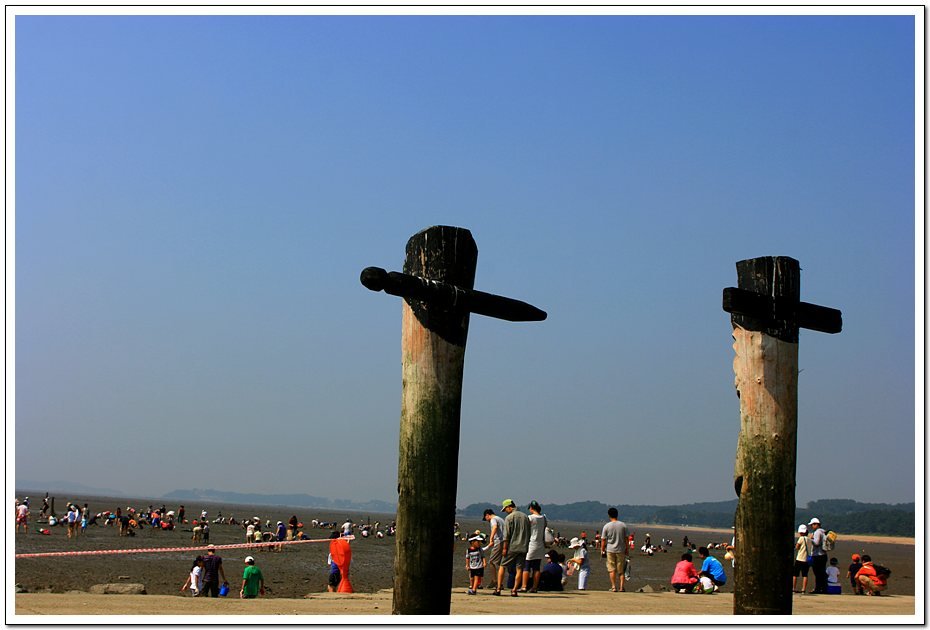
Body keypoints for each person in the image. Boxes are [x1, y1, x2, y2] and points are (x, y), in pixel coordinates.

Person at [494, 499, 530, 597]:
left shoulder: (509, 518)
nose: (505, 511)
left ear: (509, 507)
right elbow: (529, 533)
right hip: (523, 547)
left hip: (512, 547)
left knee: (502, 566)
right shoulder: (525, 516)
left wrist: (504, 548)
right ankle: (514, 590)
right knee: (519, 569)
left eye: (505, 509)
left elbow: (506, 536)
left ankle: (498, 588)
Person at [600, 506, 630, 593]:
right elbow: (627, 539)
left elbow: (603, 540)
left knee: (611, 569)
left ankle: (613, 587)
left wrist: (602, 550)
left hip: (610, 550)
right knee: (621, 570)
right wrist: (627, 549)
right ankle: (621, 587)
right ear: (617, 514)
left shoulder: (606, 526)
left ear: (609, 515)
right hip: (621, 549)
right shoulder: (623, 525)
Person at [521, 500, 548, 593]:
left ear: (531, 508)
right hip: (540, 544)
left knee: (526, 566)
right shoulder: (543, 518)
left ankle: (524, 586)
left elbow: (525, 529)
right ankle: (534, 587)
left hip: (531, 543)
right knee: (536, 567)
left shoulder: (530, 518)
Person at [482, 508, 505, 588]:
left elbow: (494, 527)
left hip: (498, 542)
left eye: (486, 518)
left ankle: (495, 581)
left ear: (487, 515)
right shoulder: (501, 519)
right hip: (504, 542)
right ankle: (500, 582)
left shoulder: (493, 519)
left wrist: (491, 538)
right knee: (501, 563)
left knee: (491, 562)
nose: (487, 521)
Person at [808, 517, 828, 594]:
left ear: (816, 524)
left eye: (812, 525)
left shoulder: (817, 532)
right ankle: (824, 588)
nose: (811, 526)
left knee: (818, 573)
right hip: (823, 555)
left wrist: (811, 539)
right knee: (822, 572)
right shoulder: (823, 531)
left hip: (818, 555)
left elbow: (816, 543)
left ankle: (818, 589)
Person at [793, 524, 812, 594]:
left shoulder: (801, 538)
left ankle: (793, 588)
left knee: (795, 574)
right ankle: (803, 589)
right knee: (805, 575)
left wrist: (796, 546)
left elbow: (797, 547)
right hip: (806, 559)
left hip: (800, 558)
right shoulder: (809, 539)